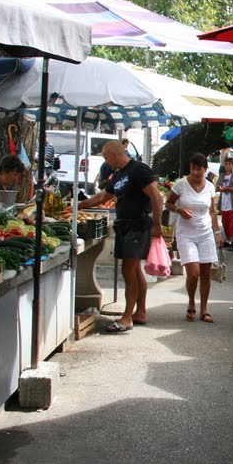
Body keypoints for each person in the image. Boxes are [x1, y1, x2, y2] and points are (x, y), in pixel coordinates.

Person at [75, 141, 163, 333]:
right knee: (135, 271)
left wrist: (157, 224)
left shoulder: (138, 170)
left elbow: (156, 197)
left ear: (115, 154)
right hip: (125, 226)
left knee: (128, 271)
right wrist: (77, 206)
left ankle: (126, 317)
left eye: (106, 157)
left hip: (137, 225)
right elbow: (101, 197)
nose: (106, 161)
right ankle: (140, 312)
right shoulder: (118, 175)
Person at [167, 153, 223, 323]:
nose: (195, 172)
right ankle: (191, 302)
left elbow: (212, 211)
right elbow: (168, 203)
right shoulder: (181, 185)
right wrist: (179, 210)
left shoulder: (210, 187)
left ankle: (204, 309)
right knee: (193, 273)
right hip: (186, 234)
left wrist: (217, 232)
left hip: (206, 233)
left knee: (205, 274)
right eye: (192, 168)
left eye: (199, 169)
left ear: (206, 170)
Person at [216, 156, 233, 250]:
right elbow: (217, 186)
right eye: (226, 164)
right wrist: (219, 188)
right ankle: (227, 240)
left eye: (230, 164)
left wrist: (227, 188)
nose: (227, 166)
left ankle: (232, 242)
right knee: (225, 223)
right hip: (224, 204)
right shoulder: (222, 175)